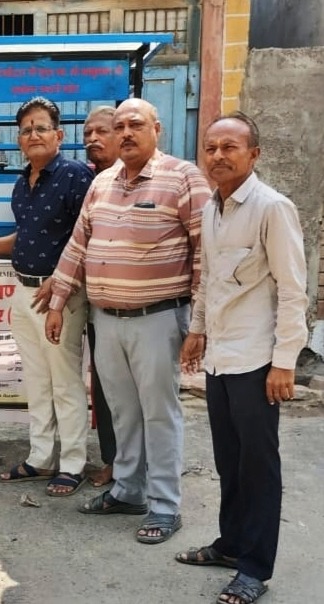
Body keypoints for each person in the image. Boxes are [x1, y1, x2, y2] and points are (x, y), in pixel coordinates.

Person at [45, 98, 210, 544]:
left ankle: (164, 505)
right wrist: (58, 301)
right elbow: (78, 244)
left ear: (157, 128)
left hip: (158, 318)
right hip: (107, 319)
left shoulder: (183, 178)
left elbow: (205, 253)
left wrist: (199, 325)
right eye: (118, 126)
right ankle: (128, 490)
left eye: (135, 124)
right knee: (122, 411)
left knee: (159, 413)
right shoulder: (102, 182)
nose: (125, 133)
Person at [176, 112, 308, 604]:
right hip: (221, 358)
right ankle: (231, 545)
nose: (218, 156)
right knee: (228, 461)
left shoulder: (272, 208)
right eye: (211, 148)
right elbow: (210, 277)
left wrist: (284, 361)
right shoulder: (213, 208)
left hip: (257, 361)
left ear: (254, 154)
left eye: (229, 147)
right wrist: (198, 330)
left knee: (258, 467)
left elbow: (293, 291)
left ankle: (254, 568)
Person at [0, 96, 94, 497]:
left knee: (65, 383)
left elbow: (90, 236)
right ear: (19, 139)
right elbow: (28, 236)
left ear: (59, 135)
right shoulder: (23, 183)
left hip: (60, 298)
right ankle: (41, 457)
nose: (33, 134)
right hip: (24, 291)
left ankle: (73, 463)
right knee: (36, 381)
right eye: (26, 130)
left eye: (41, 127)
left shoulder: (74, 177)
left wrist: (62, 283)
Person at [82, 105, 119, 488]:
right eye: (88, 133)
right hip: (97, 304)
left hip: (146, 309)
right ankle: (114, 459)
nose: (93, 139)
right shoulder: (89, 181)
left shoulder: (155, 178)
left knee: (143, 394)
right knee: (104, 386)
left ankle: (144, 468)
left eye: (101, 132)